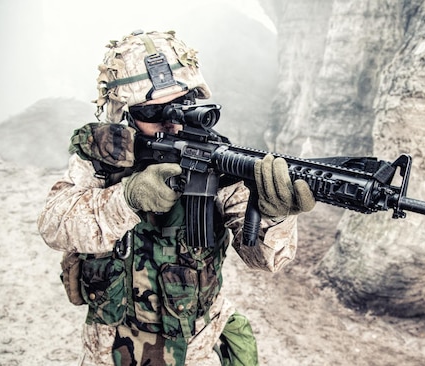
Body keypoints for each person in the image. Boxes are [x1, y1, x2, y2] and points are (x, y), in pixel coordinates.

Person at [37, 30, 315, 366]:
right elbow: (54, 225)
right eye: (152, 114)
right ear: (124, 113)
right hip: (108, 347)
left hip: (195, 346)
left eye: (181, 106)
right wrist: (126, 198)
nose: (171, 123)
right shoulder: (102, 156)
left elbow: (268, 259)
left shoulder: (218, 162)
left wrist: (275, 215)